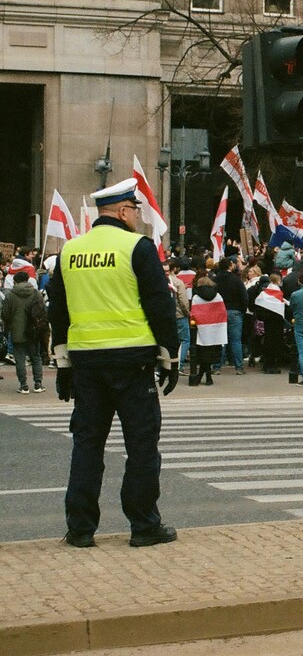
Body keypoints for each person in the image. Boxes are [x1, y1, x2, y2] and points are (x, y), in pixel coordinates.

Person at [47, 178, 180, 549]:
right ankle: (143, 525)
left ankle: (80, 529)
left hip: (86, 363)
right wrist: (170, 357)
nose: (138, 215)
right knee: (141, 446)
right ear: (123, 211)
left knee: (87, 445)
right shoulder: (137, 246)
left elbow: (58, 310)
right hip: (132, 361)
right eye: (136, 210)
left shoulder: (70, 251)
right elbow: (159, 304)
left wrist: (63, 365)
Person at [1, 269, 46, 393]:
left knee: (20, 358)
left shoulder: (10, 295)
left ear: (15, 281)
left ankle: (23, 385)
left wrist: (9, 325)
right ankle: (38, 383)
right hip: (33, 330)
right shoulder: (36, 293)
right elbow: (42, 311)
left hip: (17, 331)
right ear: (28, 279)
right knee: (36, 357)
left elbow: (5, 314)